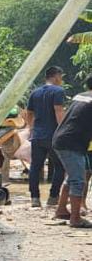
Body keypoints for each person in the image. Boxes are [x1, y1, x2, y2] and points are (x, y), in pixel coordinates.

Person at [50, 74, 92, 227]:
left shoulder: (80, 96)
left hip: (61, 139)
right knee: (78, 180)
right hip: (71, 143)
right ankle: (75, 218)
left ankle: (61, 210)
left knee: (72, 177)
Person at [26, 66, 66, 208]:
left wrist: (31, 128)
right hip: (54, 135)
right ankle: (53, 197)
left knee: (35, 167)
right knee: (60, 166)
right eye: (61, 77)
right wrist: (63, 131)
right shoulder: (58, 91)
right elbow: (58, 111)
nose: (61, 80)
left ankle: (35, 198)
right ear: (55, 76)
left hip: (37, 135)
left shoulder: (35, 92)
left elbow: (29, 112)